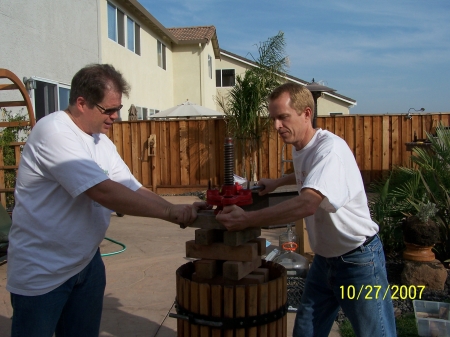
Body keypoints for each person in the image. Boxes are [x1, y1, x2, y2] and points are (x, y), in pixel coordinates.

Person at [7, 64, 206, 337]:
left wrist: (177, 208)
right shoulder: (53, 132)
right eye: (108, 110)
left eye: (118, 109)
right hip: (42, 272)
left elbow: (130, 187)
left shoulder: (101, 142)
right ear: (81, 103)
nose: (115, 117)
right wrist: (170, 213)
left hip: (86, 265)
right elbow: (103, 192)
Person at [216, 82, 396, 337]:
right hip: (324, 261)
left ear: (306, 114)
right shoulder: (301, 146)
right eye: (274, 119)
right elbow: (307, 174)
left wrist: (247, 219)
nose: (276, 126)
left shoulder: (330, 151)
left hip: (358, 261)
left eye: (283, 117)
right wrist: (277, 182)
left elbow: (307, 203)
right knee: (306, 332)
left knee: (375, 333)